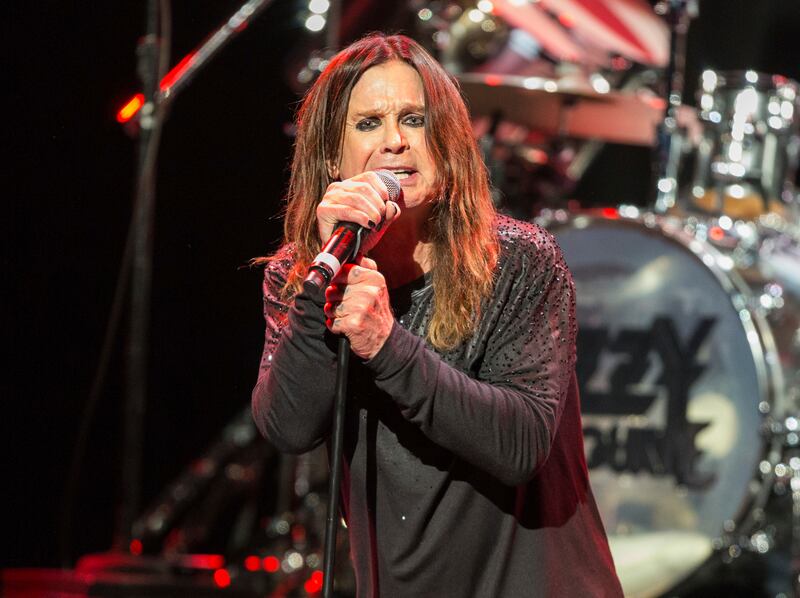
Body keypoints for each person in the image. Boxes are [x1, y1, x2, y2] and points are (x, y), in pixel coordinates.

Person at [251, 33, 622, 597]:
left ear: (445, 141)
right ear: (331, 156)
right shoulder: (303, 276)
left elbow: (520, 445)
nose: (395, 141)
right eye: (368, 123)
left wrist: (386, 344)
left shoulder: (518, 261)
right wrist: (321, 285)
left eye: (414, 119)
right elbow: (289, 426)